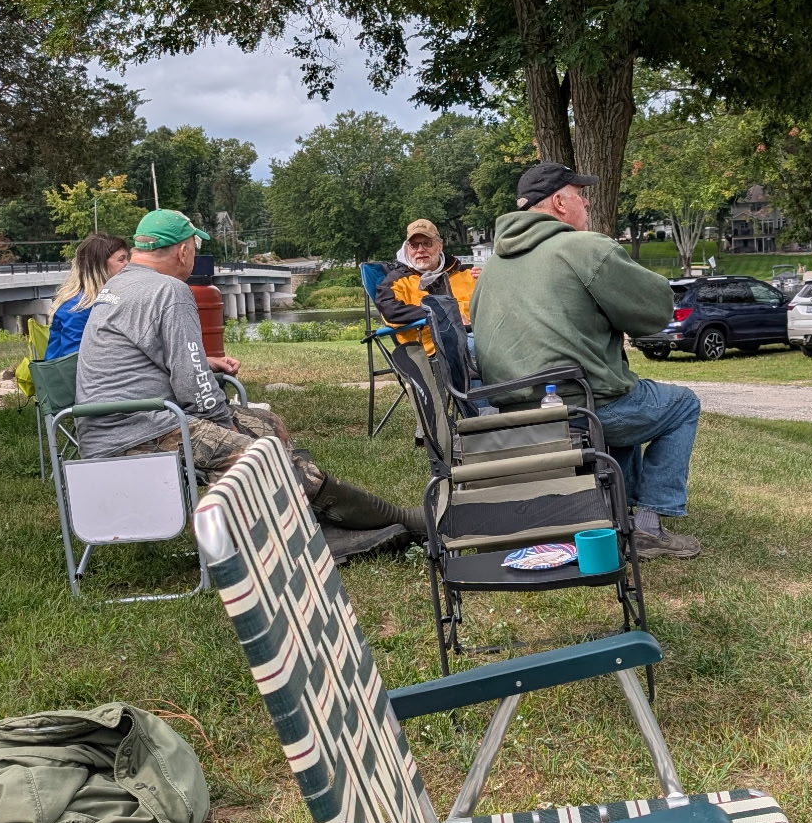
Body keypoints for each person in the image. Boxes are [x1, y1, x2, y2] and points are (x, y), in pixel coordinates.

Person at [75, 209, 426, 561]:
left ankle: (309, 521)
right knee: (260, 456)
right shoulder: (170, 291)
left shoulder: (119, 285)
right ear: (183, 251)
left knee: (266, 423)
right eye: (195, 247)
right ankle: (381, 522)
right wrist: (223, 424)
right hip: (137, 433)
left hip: (114, 425)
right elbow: (193, 387)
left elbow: (152, 358)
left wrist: (210, 377)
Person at [470, 164, 703, 559]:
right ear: (560, 202)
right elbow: (654, 311)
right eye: (581, 194)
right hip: (580, 407)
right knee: (681, 405)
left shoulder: (492, 268)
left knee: (625, 395)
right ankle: (649, 524)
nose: (588, 202)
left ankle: (614, 512)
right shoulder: (583, 248)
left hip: (513, 413)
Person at [373, 218, 477, 353]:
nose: (420, 250)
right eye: (414, 245)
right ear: (407, 249)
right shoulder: (396, 281)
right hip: (432, 348)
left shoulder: (466, 274)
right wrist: (440, 313)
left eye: (427, 243)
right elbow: (390, 312)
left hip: (477, 335)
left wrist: (487, 281)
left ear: (440, 246)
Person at [46, 234, 130, 359]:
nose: (128, 264)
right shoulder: (78, 307)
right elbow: (74, 358)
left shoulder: (104, 298)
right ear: (100, 265)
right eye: (121, 260)